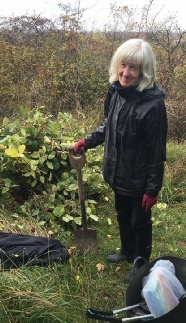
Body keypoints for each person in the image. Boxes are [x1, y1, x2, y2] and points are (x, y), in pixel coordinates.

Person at [72, 38, 167, 282]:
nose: (126, 73)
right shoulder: (115, 92)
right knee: (122, 215)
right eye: (123, 65)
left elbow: (157, 151)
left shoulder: (153, 105)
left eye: (133, 68)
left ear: (143, 71)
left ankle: (142, 264)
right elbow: (108, 126)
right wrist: (88, 141)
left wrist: (152, 189)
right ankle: (127, 252)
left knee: (139, 221)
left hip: (140, 178)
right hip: (117, 171)